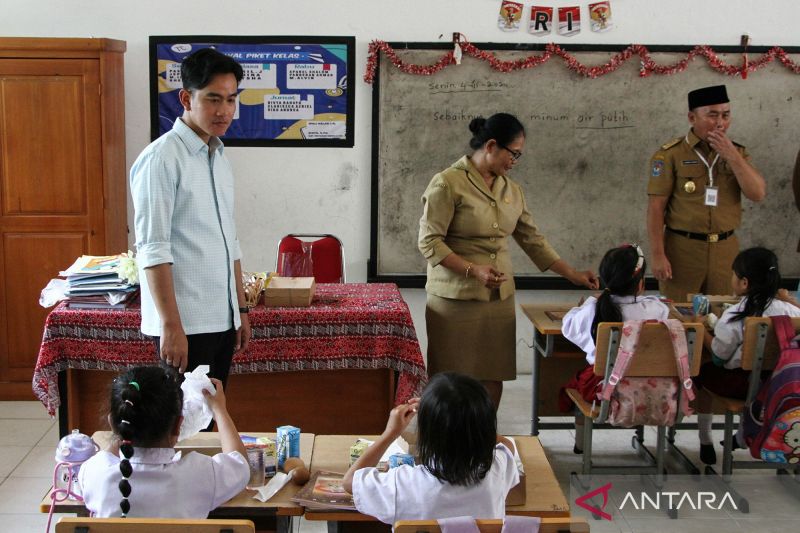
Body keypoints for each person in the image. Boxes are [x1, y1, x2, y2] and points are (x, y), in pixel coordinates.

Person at [418, 113, 598, 409]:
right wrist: (473, 270)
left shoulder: (511, 189)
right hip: (454, 300)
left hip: (497, 299)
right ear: (491, 145)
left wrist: (572, 274)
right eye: (513, 153)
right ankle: (441, 443)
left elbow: (532, 239)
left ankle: (485, 440)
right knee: (448, 380)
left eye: (519, 155)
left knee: (493, 373)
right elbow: (429, 242)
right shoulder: (447, 183)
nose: (515, 161)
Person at [130, 47, 251, 382]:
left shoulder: (217, 156)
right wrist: (171, 326)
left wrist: (239, 311)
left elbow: (231, 242)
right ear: (186, 98)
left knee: (212, 426)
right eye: (213, 99)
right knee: (183, 429)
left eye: (231, 99)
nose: (224, 110)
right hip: (186, 324)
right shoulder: (162, 159)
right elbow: (153, 249)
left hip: (221, 319)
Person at [342, 372, 519, 525]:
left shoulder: (403, 483)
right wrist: (470, 420)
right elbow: (508, 446)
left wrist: (390, 433)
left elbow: (350, 481)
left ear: (428, 431)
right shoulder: (496, 470)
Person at [647, 84, 766, 303]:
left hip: (725, 248)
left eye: (726, 115)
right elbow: (656, 208)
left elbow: (757, 193)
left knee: (723, 314)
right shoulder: (671, 155)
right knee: (679, 314)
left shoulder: (737, 152)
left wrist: (732, 156)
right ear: (692, 117)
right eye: (712, 115)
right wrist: (657, 254)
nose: (720, 122)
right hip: (682, 249)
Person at [78, 366, 249, 517]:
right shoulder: (200, 474)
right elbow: (240, 465)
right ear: (178, 427)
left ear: (113, 424)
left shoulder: (93, 472)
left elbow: (98, 465)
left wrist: (121, 432)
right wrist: (220, 411)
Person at [559, 244, 670, 453]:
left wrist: (583, 306)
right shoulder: (656, 309)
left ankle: (581, 445)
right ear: (641, 285)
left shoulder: (593, 308)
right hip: (650, 388)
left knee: (574, 382)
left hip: (603, 388)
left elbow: (568, 326)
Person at [693, 247, 800, 465]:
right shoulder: (792, 313)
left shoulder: (736, 314)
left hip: (744, 385)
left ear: (744, 283)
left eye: (734, 274)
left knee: (701, 369)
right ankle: (743, 433)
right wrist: (789, 301)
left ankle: (705, 439)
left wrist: (700, 327)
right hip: (782, 385)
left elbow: (719, 355)